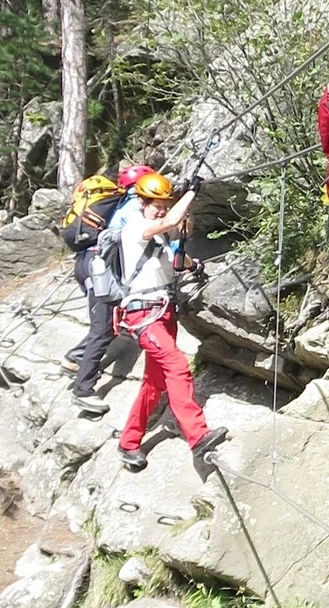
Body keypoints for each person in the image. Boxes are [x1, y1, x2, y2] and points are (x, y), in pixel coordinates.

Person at [108, 169, 229, 475]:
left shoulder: (158, 238)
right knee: (177, 367)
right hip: (144, 316)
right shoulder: (135, 227)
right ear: (142, 203)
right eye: (155, 205)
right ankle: (198, 435)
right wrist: (190, 194)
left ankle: (129, 442)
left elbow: (173, 259)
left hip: (162, 314)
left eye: (164, 205)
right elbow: (171, 221)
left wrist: (194, 266)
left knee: (154, 382)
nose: (160, 210)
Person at [71, 162, 148, 416]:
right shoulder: (134, 207)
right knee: (103, 330)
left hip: (88, 263)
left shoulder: (120, 204)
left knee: (103, 326)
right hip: (100, 269)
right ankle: (83, 391)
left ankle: (74, 357)